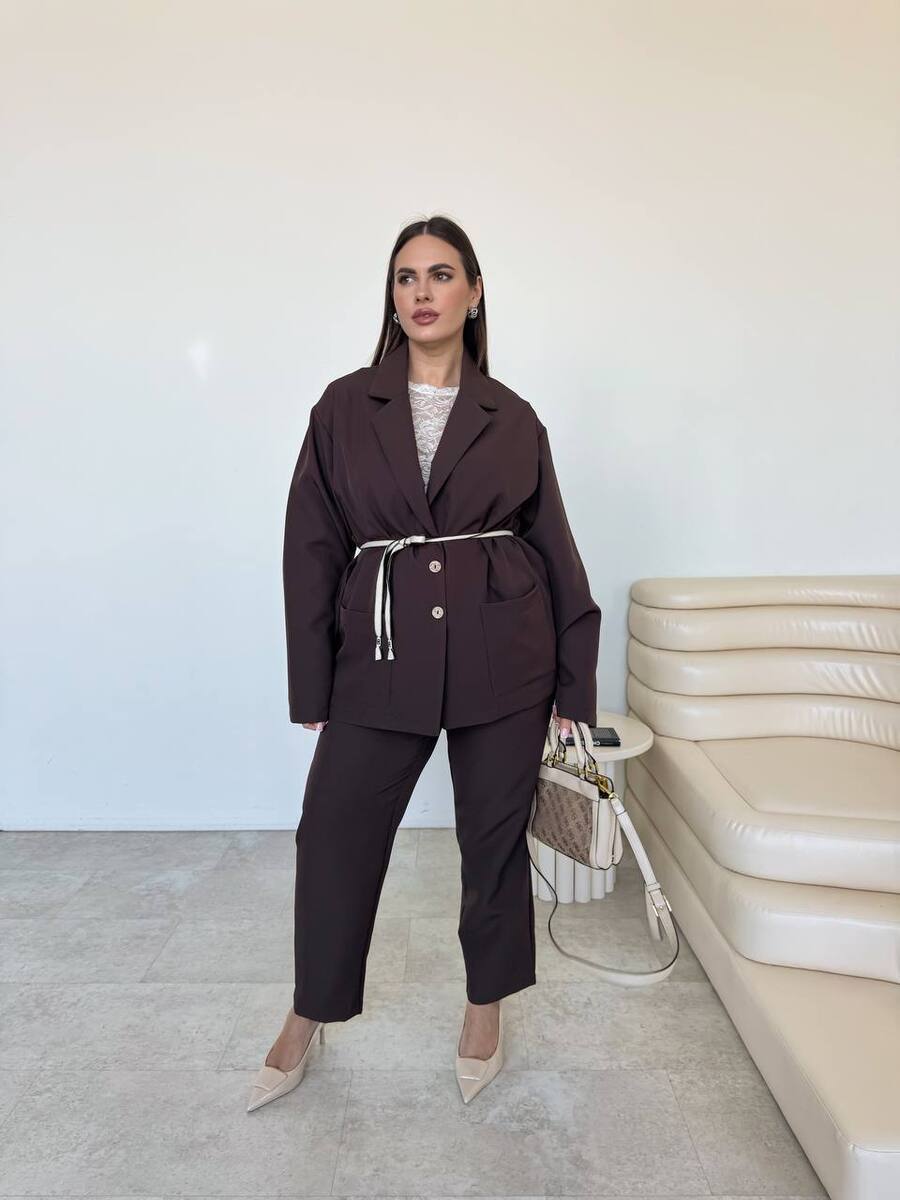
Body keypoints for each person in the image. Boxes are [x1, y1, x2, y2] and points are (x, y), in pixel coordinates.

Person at [247, 214, 601, 1112]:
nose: (422, 292)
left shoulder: (512, 416)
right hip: (382, 654)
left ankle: (485, 1007)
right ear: (392, 297)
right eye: (406, 277)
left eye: (442, 275)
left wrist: (576, 682)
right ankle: (310, 1008)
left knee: (492, 843)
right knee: (334, 833)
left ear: (474, 293)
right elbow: (310, 548)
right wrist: (312, 680)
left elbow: (555, 548)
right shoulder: (342, 407)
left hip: (504, 655)